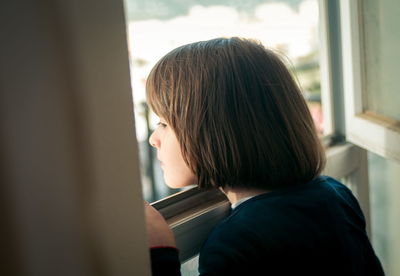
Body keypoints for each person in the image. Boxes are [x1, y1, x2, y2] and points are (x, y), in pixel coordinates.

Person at [144, 37, 384, 275]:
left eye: (164, 123)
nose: (153, 139)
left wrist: (160, 256)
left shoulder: (237, 242)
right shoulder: (334, 194)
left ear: (217, 133)